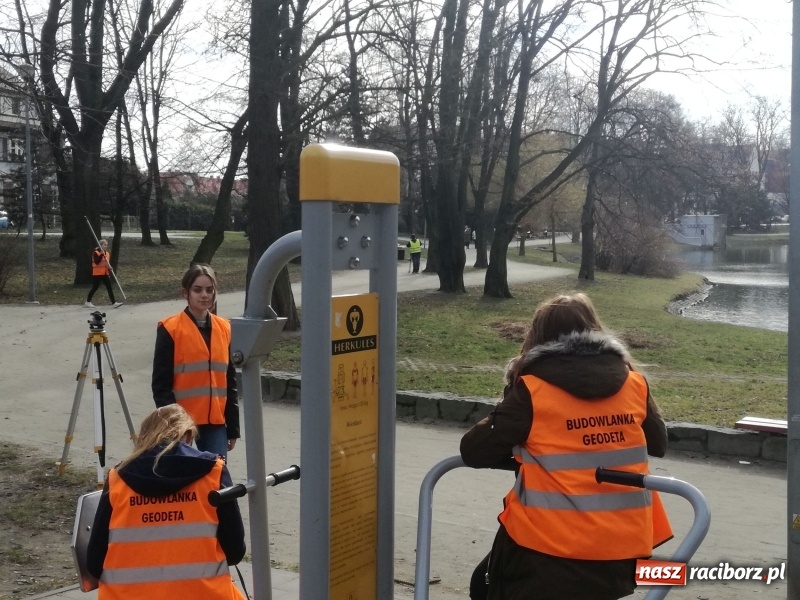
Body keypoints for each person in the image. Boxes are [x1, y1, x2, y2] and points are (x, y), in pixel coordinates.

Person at [460, 293, 671, 600]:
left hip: (546, 554)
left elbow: (474, 450)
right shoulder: (633, 383)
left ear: (537, 337)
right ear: (594, 329)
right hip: (620, 552)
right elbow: (659, 444)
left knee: (484, 585)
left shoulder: (533, 390)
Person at [86, 404, 246, 599]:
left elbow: (94, 562)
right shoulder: (213, 472)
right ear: (187, 435)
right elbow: (235, 551)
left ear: (145, 437)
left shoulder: (117, 479)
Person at [152, 264, 240, 461]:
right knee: (183, 480)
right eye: (197, 289)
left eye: (210, 290)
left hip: (215, 423)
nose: (204, 295)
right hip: (182, 422)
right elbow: (160, 385)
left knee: (216, 478)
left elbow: (230, 381)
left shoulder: (225, 328)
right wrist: (176, 424)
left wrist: (232, 428)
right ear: (186, 293)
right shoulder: (170, 329)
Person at [85, 239, 122, 308]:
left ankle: (114, 303)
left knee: (109, 287)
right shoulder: (96, 253)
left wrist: (109, 267)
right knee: (95, 287)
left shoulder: (107, 253)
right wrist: (101, 255)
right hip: (97, 273)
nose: (106, 246)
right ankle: (88, 301)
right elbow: (97, 262)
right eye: (104, 245)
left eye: (106, 245)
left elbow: (106, 262)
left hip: (105, 273)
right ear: (100, 245)